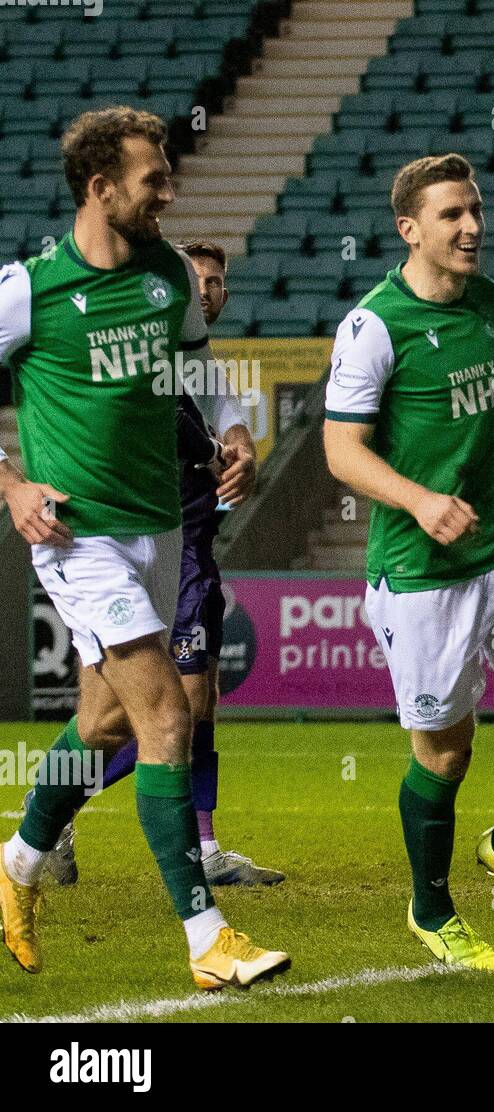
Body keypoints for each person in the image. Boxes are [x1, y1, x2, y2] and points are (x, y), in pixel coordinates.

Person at [0, 107, 288, 990]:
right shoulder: (27, 290)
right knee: (168, 719)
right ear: (100, 188)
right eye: (153, 179)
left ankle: (13, 870)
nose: (168, 192)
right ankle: (208, 940)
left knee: (103, 723)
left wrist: (234, 433)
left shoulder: (167, 273)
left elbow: (201, 372)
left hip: (159, 527)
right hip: (78, 536)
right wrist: (12, 484)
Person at [322, 153, 494, 971]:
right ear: (410, 229)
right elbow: (340, 451)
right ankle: (432, 910)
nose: (473, 226)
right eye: (452, 214)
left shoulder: (487, 298)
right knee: (447, 753)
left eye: (475, 210)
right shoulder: (372, 326)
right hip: (421, 572)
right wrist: (419, 499)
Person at [30, 239, 285, 889]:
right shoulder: (146, 360)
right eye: (197, 279)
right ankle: (55, 810)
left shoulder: (195, 365)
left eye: (218, 282)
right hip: (147, 537)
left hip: (192, 544)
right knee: (171, 700)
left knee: (199, 702)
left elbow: (213, 410)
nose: (206, 291)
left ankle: (203, 844)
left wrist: (234, 449)